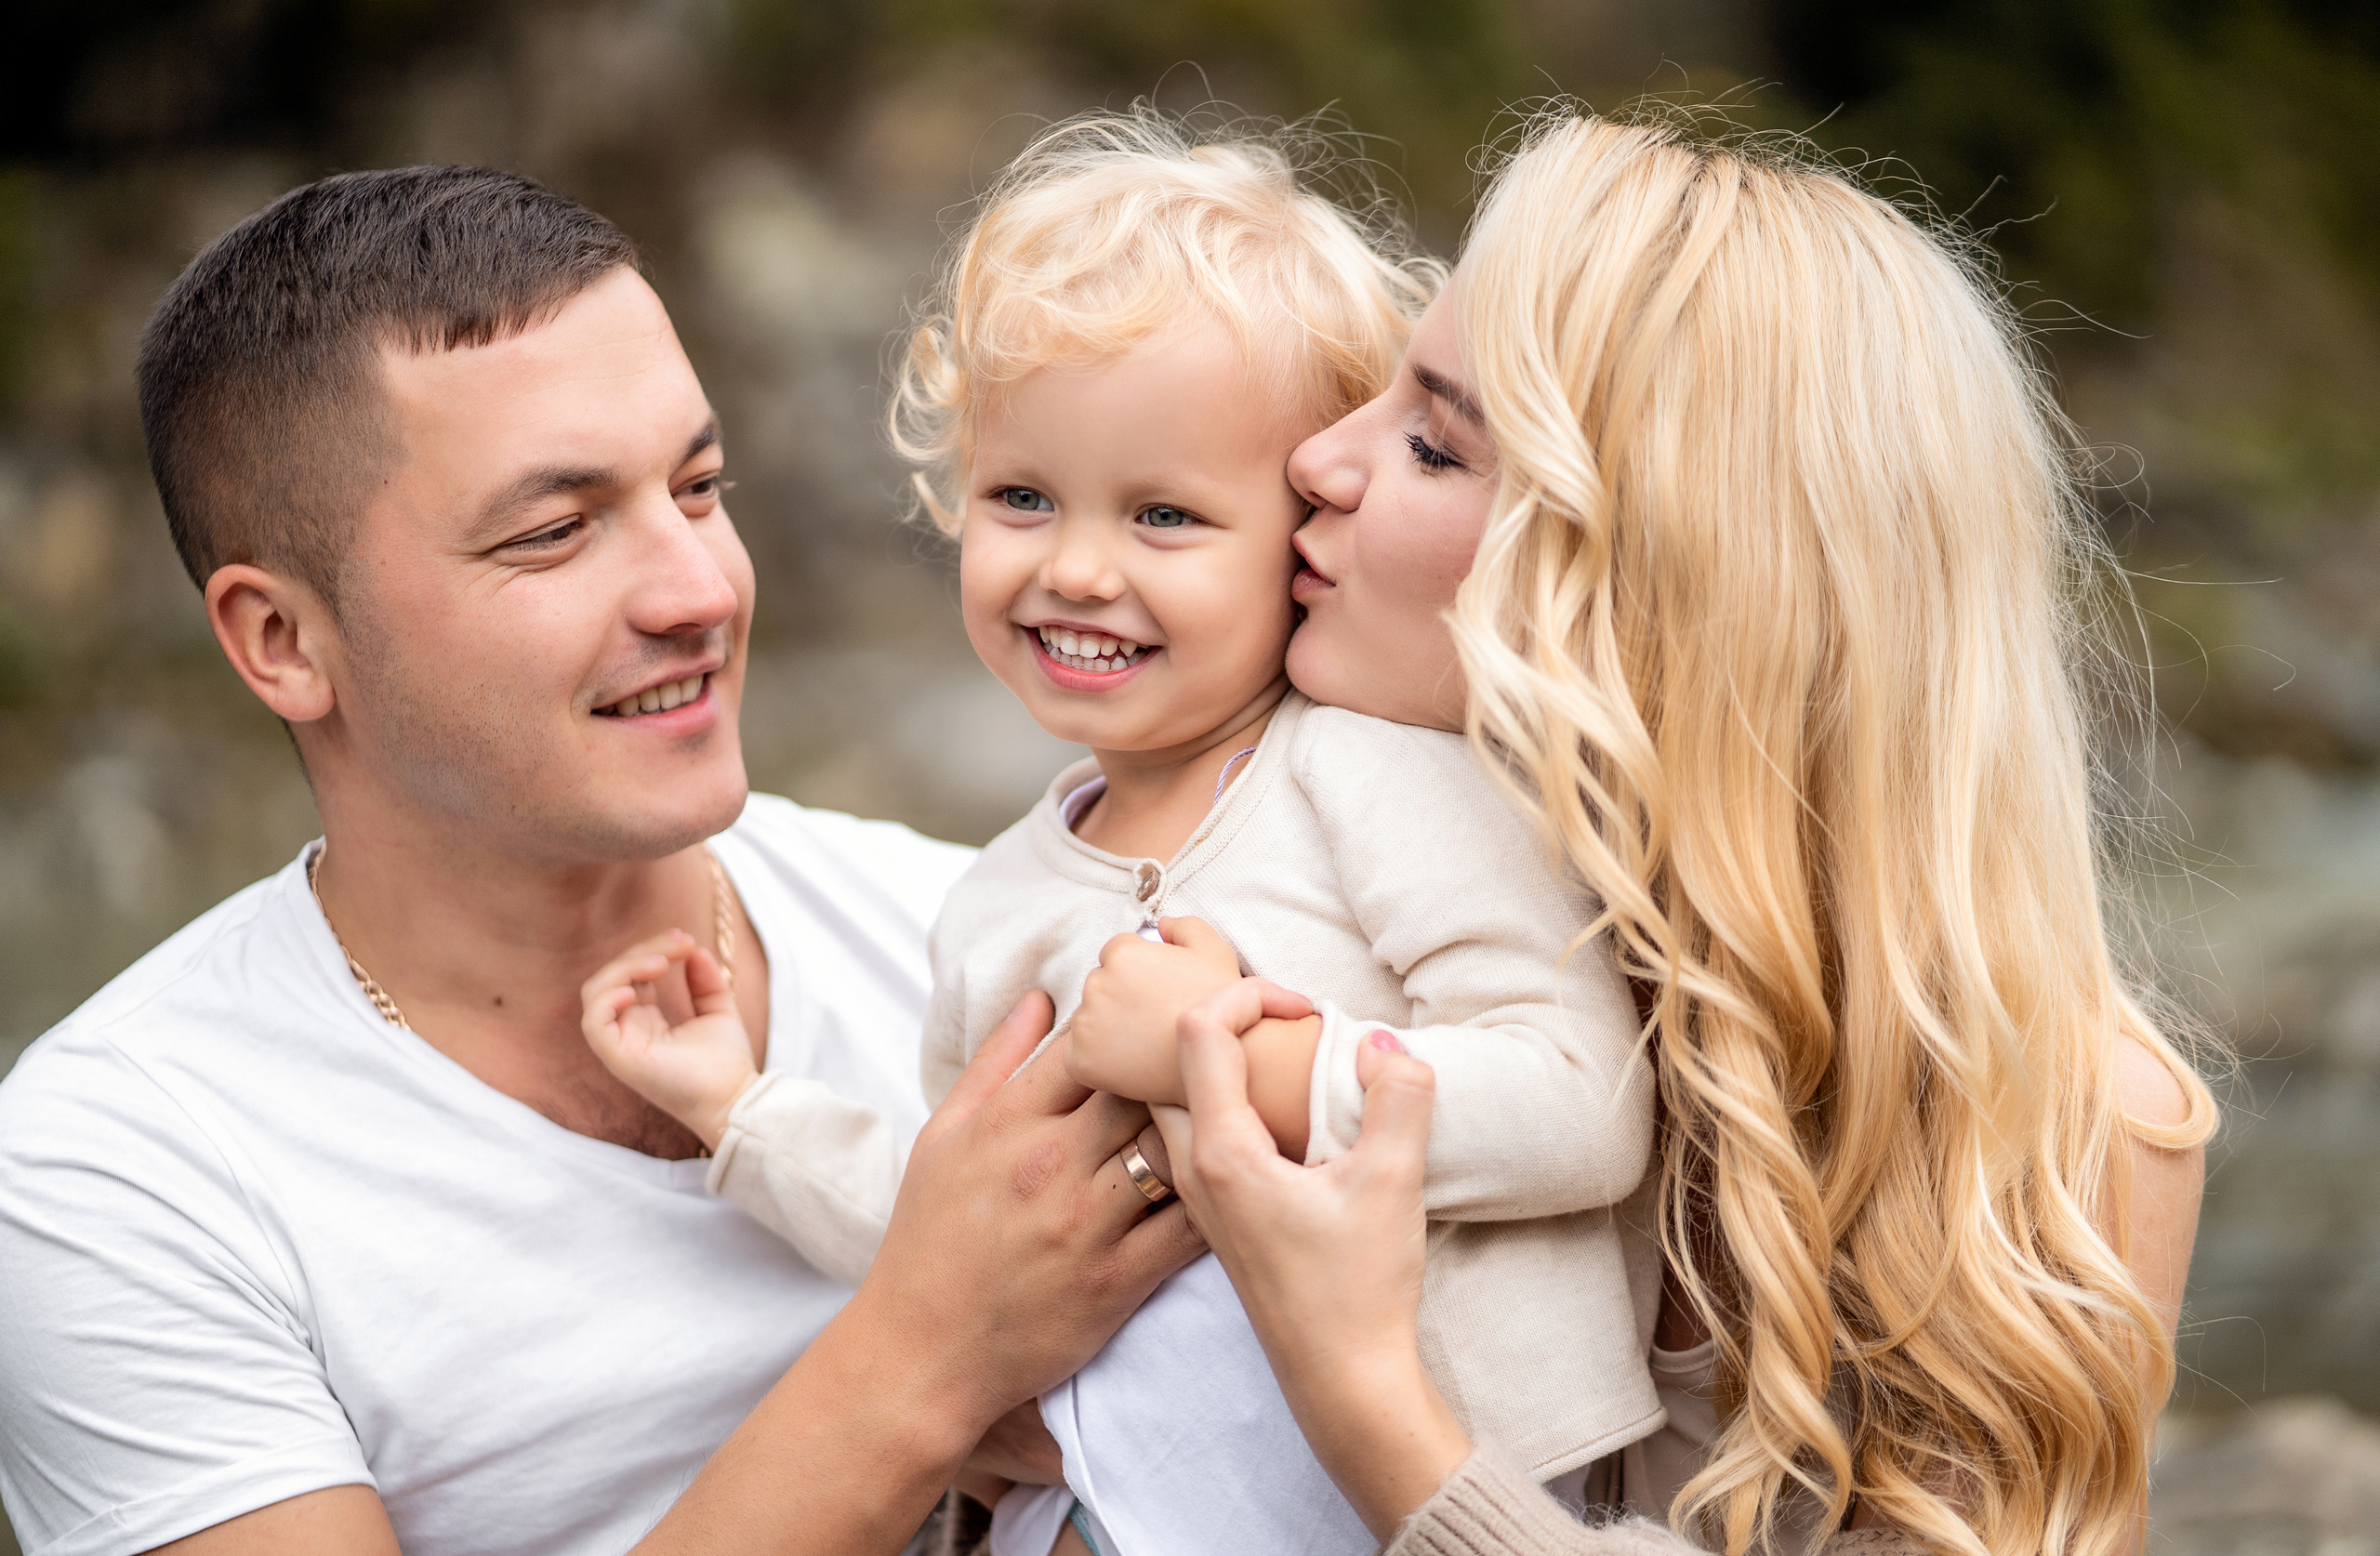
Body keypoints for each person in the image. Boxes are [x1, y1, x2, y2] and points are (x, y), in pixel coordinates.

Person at [0, 165, 1202, 1556]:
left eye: (699, 486)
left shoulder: (981, 936)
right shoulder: (118, 1173)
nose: (699, 590)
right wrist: (928, 1351)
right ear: (282, 641)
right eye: (555, 532)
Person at [581, 112, 1662, 1556]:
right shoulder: (1002, 904)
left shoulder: (1370, 779)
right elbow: (956, 1249)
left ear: (1305, 524)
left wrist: (1238, 1063)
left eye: (1164, 515)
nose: (1077, 569)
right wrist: (742, 1115)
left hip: (1426, 1494)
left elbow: (1583, 1105)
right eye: (1023, 496)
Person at [1157, 108, 2216, 1556]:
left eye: (1433, 443)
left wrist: (1367, 1407)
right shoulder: (1314, 889)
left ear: (1668, 591)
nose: (1318, 464)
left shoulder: (2069, 1132)